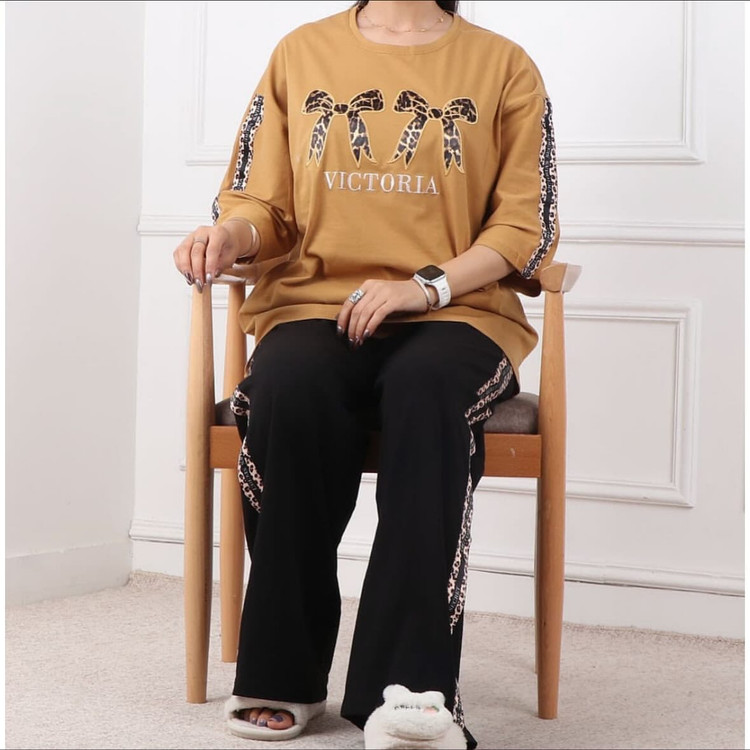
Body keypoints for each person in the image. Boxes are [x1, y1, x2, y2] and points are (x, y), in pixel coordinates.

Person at [172, 1, 558, 747]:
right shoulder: (301, 53)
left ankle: (411, 688)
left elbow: (524, 227)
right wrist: (228, 234)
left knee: (427, 390)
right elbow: (262, 205)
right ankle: (282, 672)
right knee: (287, 386)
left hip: (457, 314)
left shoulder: (503, 65)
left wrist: (424, 287)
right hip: (315, 304)